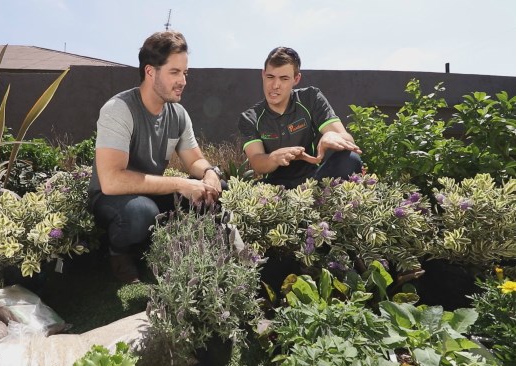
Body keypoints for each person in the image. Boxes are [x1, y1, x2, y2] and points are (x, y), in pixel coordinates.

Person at [87, 31, 223, 283]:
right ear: (150, 72)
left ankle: (191, 253)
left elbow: (194, 161)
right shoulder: (119, 109)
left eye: (185, 73)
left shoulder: (178, 114)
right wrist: (181, 184)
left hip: (150, 192)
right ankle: (119, 252)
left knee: (212, 190)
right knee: (140, 212)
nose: (183, 80)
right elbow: (111, 181)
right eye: (174, 72)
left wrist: (210, 172)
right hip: (111, 199)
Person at [238, 46, 363, 189]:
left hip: (313, 181)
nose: (275, 85)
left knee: (350, 159)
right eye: (270, 77)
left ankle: (323, 205)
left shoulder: (311, 98)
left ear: (296, 79)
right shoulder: (250, 118)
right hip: (274, 187)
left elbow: (347, 140)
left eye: (284, 78)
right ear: (263, 74)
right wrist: (274, 157)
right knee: (232, 192)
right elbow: (256, 162)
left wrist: (331, 135)